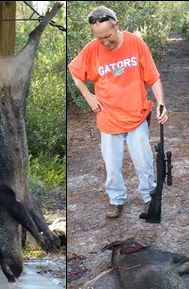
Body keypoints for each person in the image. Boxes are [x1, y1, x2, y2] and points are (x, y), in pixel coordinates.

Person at [68, 5, 169, 219]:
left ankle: (149, 196)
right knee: (112, 166)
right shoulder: (92, 49)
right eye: (99, 38)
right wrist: (88, 96)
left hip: (136, 116)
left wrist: (161, 102)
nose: (104, 42)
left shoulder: (135, 43)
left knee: (143, 162)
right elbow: (75, 72)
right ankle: (116, 199)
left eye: (107, 36)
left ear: (117, 25)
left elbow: (153, 77)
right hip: (109, 118)